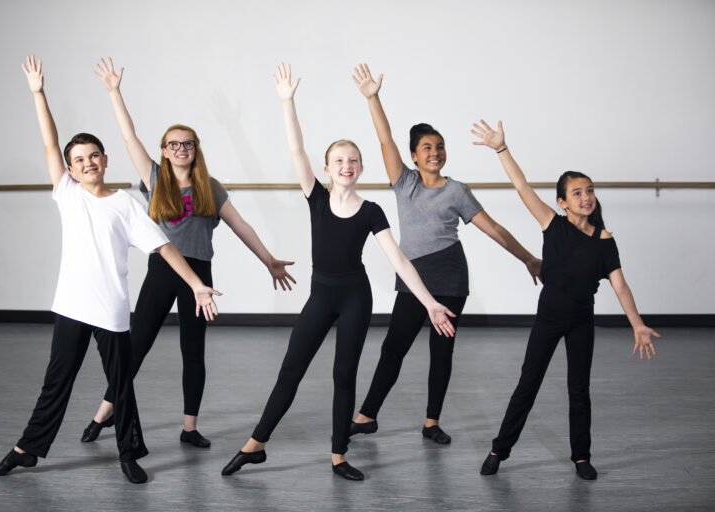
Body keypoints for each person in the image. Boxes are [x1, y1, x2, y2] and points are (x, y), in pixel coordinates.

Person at [0, 56, 221, 484]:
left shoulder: (126, 205)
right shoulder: (67, 193)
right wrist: (39, 93)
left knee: (122, 384)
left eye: (94, 155)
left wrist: (196, 285)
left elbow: (166, 247)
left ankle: (129, 453)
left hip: (111, 311)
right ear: (71, 168)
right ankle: (27, 449)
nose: (88, 163)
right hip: (71, 308)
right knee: (55, 382)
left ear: (105, 159)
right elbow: (48, 142)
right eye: (79, 159)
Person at [221, 63, 457, 481]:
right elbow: (296, 151)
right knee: (291, 370)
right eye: (338, 160)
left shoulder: (371, 211)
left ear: (360, 169)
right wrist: (287, 102)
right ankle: (256, 443)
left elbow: (399, 260)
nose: (346, 165)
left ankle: (338, 455)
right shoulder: (315, 197)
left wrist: (430, 303)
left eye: (353, 160)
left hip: (354, 298)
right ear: (327, 168)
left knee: (343, 374)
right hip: (320, 296)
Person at [80, 58, 296, 449]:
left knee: (193, 353)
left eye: (187, 144)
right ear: (164, 151)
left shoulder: (209, 188)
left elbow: (241, 225)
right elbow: (129, 137)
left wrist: (268, 260)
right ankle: (104, 412)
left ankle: (190, 427)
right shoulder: (154, 179)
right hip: (163, 271)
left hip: (200, 277)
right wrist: (114, 91)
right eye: (173, 144)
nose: (180, 149)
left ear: (195, 150)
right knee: (137, 347)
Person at [349, 64, 541, 444]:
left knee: (442, 352)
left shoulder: (458, 191)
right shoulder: (403, 183)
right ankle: (366, 415)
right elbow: (384, 138)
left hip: (451, 278)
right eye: (427, 148)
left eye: (439, 147)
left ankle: (432, 421)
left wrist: (528, 259)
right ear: (414, 156)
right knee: (394, 348)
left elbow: (495, 230)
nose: (434, 153)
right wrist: (373, 97)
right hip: (413, 278)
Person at [471, 119, 660, 480]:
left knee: (579, 390)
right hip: (549, 318)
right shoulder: (552, 224)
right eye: (577, 192)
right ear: (562, 202)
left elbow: (620, 286)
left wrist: (637, 325)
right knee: (528, 384)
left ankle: (581, 457)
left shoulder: (605, 240)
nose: (586, 196)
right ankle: (499, 449)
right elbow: (522, 186)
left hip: (580, 321)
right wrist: (501, 149)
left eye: (589, 190)